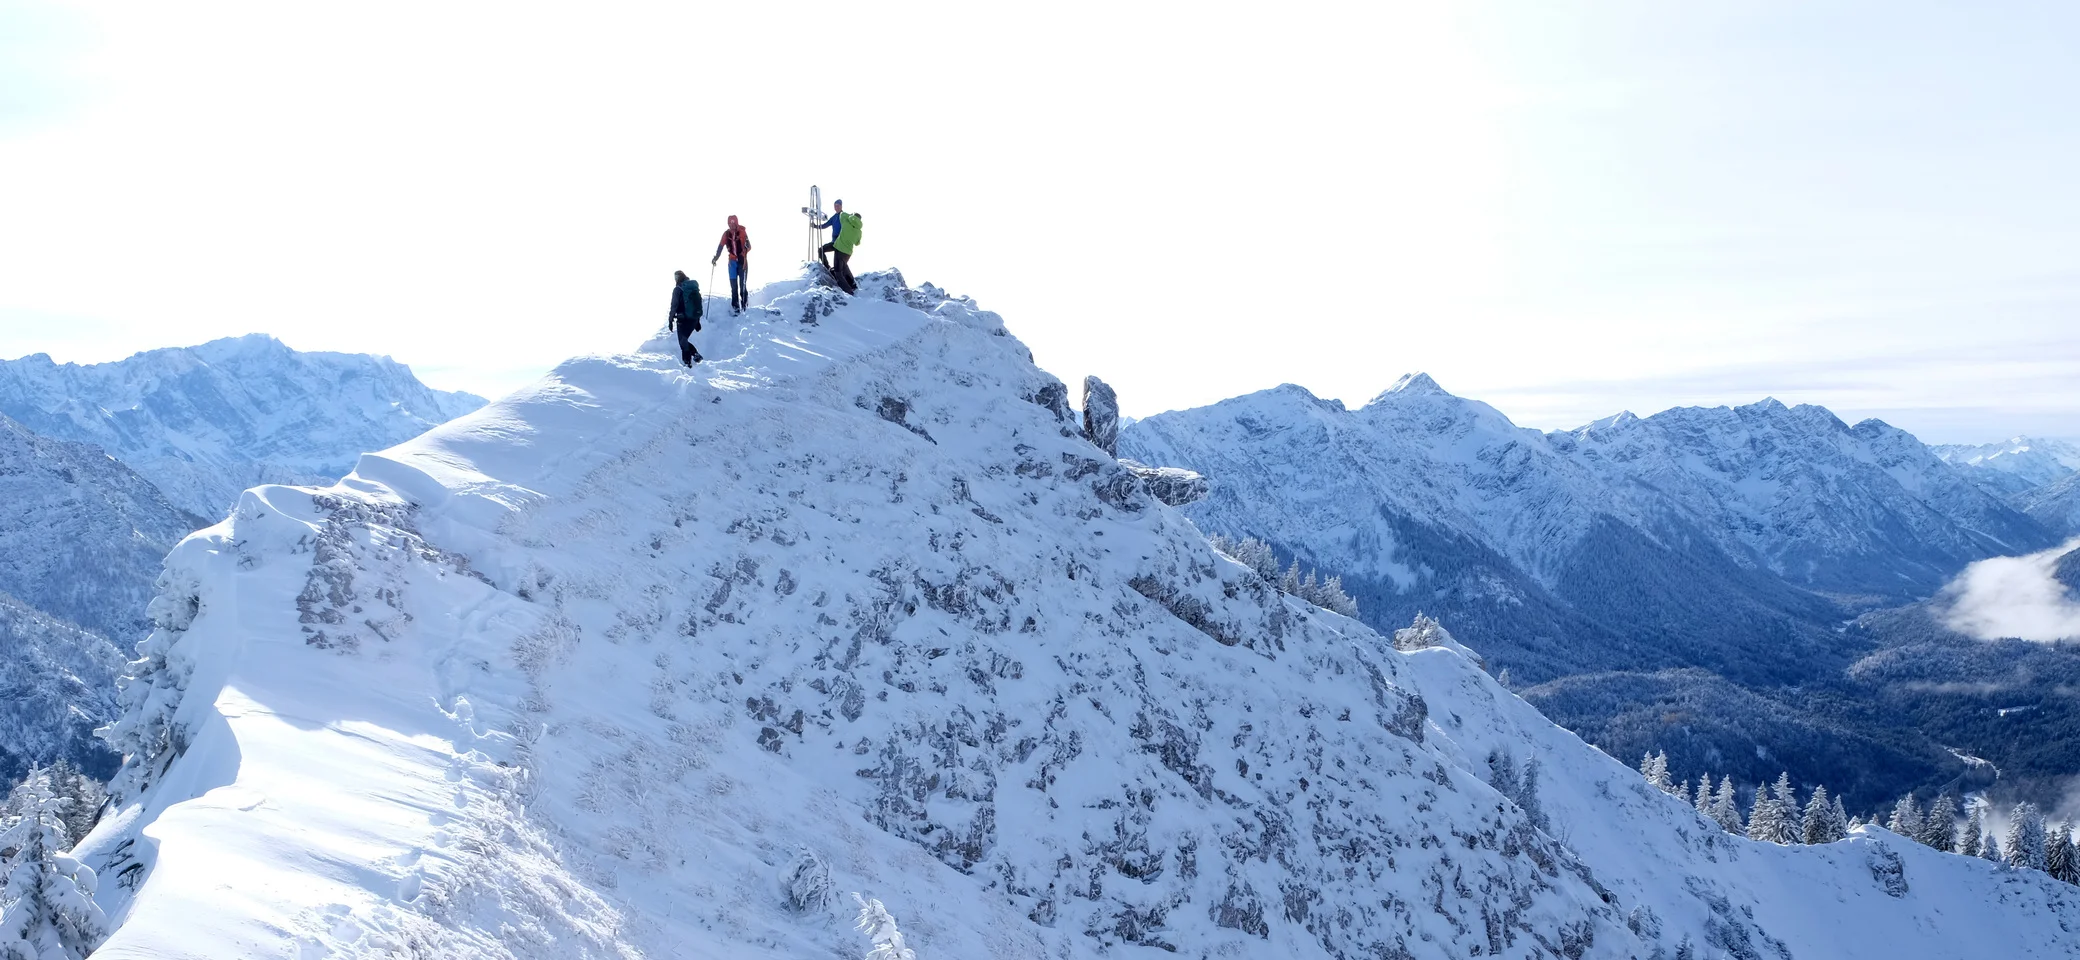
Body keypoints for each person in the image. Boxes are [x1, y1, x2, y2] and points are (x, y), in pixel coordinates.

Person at [812, 199, 861, 294]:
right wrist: (816, 226)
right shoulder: (834, 217)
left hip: (841, 244)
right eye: (835, 205)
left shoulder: (845, 217)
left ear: (841, 206)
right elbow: (825, 225)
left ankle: (850, 285)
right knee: (821, 250)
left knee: (842, 267)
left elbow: (852, 227)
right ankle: (828, 268)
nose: (836, 207)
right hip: (835, 243)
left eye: (838, 205)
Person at [710, 215, 752, 314]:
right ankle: (735, 307)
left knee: (742, 285)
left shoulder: (742, 232)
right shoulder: (726, 234)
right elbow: (720, 246)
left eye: (734, 223)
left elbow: (749, 246)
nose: (732, 225)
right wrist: (716, 257)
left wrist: (744, 252)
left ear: (736, 223)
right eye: (730, 223)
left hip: (743, 262)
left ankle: (745, 305)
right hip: (732, 262)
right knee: (733, 286)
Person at [667, 270, 703, 366]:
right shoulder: (692, 288)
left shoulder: (678, 289)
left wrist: (670, 320)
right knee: (684, 340)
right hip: (693, 319)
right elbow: (696, 304)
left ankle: (688, 362)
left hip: (683, 319)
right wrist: (697, 321)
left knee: (682, 342)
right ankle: (693, 357)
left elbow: (674, 306)